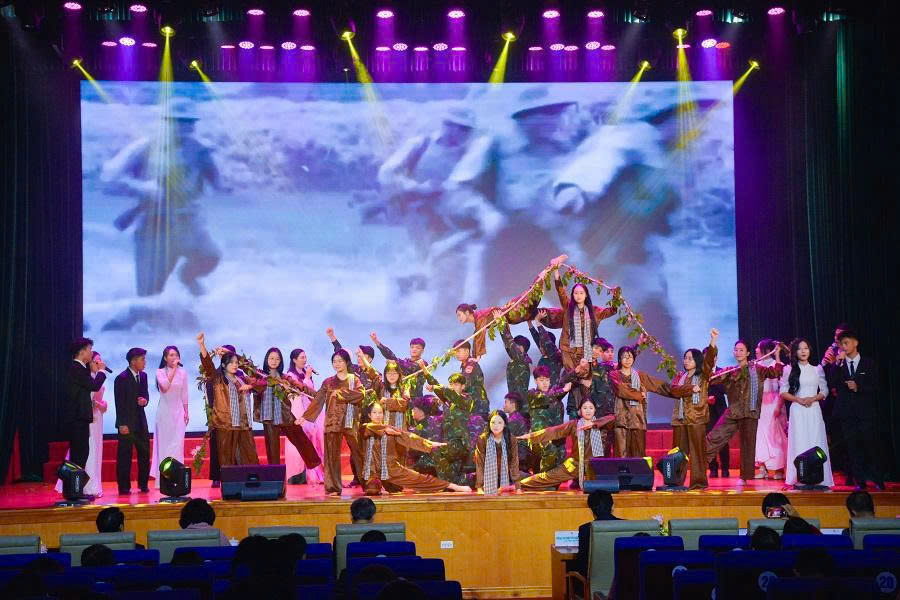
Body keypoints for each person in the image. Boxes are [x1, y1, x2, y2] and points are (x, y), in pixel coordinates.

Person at [101, 97, 224, 297]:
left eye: (189, 121)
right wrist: (143, 188)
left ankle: (187, 278)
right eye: (178, 121)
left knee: (210, 257)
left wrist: (214, 179)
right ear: (166, 122)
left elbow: (217, 181)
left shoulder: (200, 149)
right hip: (154, 226)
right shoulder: (144, 147)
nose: (185, 126)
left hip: (189, 222)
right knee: (149, 296)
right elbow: (110, 178)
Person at [705, 340, 784, 482]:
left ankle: (745, 478)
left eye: (741, 350)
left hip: (750, 412)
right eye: (736, 350)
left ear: (747, 353)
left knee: (748, 445)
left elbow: (776, 372)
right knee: (715, 436)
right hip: (734, 411)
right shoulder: (730, 371)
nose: (738, 352)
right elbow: (712, 379)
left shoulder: (757, 369)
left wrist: (777, 355)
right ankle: (700, 461)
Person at [361, 401, 470, 494]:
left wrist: (430, 443)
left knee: (420, 479)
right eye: (374, 412)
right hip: (372, 472)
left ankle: (454, 486)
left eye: (380, 412)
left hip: (390, 468)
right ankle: (380, 486)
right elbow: (368, 427)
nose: (378, 415)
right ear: (369, 415)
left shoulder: (391, 430)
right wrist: (383, 429)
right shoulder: (365, 428)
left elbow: (410, 438)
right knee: (372, 489)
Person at [299, 348, 365, 496]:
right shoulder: (328, 382)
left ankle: (367, 483)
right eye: (334, 361)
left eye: (340, 361)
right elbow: (318, 400)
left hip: (349, 420)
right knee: (331, 456)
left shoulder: (353, 379)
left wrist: (340, 393)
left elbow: (360, 395)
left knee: (358, 453)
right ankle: (333, 487)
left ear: (346, 362)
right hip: (332, 421)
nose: (337, 364)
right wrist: (305, 417)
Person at [609, 344, 689, 459]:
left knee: (638, 456)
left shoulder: (640, 376)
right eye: (624, 357)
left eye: (630, 357)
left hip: (638, 420)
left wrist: (681, 391)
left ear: (633, 358)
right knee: (621, 455)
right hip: (621, 421)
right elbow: (621, 390)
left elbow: (660, 386)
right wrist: (639, 394)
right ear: (619, 359)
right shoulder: (614, 374)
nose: (627, 359)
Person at [517, 398, 616, 490]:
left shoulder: (602, 425)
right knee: (547, 477)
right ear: (580, 411)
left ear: (595, 410)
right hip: (575, 463)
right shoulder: (574, 425)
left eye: (591, 408)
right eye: (585, 408)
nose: (588, 410)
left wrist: (595, 423)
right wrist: (530, 436)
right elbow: (553, 431)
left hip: (595, 465)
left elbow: (614, 418)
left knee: (596, 489)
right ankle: (519, 483)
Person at [250, 347, 321, 473]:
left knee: (299, 436)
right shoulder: (259, 375)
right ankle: (274, 475)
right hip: (268, 415)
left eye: (277, 359)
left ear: (281, 361)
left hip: (284, 414)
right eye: (271, 358)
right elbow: (245, 366)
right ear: (266, 359)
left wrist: (319, 395)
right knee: (272, 449)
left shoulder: (284, 377)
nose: (274, 361)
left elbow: (300, 386)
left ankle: (314, 463)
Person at [830, 330, 883, 490]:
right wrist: (837, 364)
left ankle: (877, 479)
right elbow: (832, 382)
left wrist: (858, 387)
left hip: (865, 414)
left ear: (855, 343)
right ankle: (859, 481)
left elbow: (876, 386)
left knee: (870, 447)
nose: (844, 347)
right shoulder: (839, 365)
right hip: (847, 414)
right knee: (852, 449)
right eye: (841, 344)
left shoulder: (868, 363)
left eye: (846, 343)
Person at [196, 333, 259, 468]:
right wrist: (202, 345)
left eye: (236, 362)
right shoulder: (218, 378)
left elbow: (261, 380)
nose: (235, 365)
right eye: (231, 362)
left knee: (250, 459)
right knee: (227, 461)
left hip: (243, 424)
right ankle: (229, 482)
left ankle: (249, 480)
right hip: (226, 424)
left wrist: (251, 386)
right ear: (224, 365)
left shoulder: (242, 378)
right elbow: (208, 365)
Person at [667, 333, 719, 490]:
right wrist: (690, 389)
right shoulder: (679, 376)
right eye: (685, 358)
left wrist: (713, 341)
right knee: (678, 453)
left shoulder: (703, 375)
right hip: (680, 418)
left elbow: (709, 361)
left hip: (696, 418)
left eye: (690, 358)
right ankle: (676, 482)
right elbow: (674, 391)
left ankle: (698, 482)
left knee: (697, 453)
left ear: (697, 360)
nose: (686, 361)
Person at [780, 338, 833, 488]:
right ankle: (799, 477)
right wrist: (798, 399)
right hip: (798, 410)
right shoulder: (789, 370)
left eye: (806, 348)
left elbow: (825, 391)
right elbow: (783, 391)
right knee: (799, 441)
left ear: (810, 351)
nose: (803, 351)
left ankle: (820, 478)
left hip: (814, 409)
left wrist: (813, 398)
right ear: (795, 352)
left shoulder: (817, 369)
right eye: (800, 349)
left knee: (816, 441)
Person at [56, 351, 107, 497]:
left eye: (100, 361)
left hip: (93, 418)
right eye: (96, 361)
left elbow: (99, 399)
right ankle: (80, 488)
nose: (99, 363)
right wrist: (102, 372)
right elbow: (88, 394)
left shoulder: (92, 378)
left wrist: (101, 404)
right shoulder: (84, 375)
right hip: (83, 418)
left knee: (89, 452)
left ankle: (84, 487)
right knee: (83, 452)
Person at [551, 257, 617, 370]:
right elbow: (561, 292)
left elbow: (612, 310)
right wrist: (556, 271)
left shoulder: (595, 311)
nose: (578, 295)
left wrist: (616, 296)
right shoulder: (568, 307)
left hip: (585, 350)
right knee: (571, 373)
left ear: (586, 295)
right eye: (576, 293)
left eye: (581, 293)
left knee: (583, 375)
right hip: (568, 348)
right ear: (573, 295)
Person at [64, 338, 107, 478]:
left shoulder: (80, 368)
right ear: (82, 352)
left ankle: (75, 487)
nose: (91, 352)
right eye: (89, 349)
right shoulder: (77, 368)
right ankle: (73, 488)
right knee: (78, 455)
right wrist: (102, 371)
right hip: (77, 418)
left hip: (80, 417)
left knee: (81, 454)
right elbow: (94, 386)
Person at [422, 371, 472, 486]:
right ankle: (452, 485)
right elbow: (438, 387)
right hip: (449, 442)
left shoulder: (466, 399)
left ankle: (448, 485)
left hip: (461, 443)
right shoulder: (449, 401)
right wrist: (425, 371)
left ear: (463, 386)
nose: (452, 387)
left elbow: (448, 392)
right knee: (455, 477)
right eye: (451, 384)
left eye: (456, 384)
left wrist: (435, 387)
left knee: (436, 451)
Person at [284, 348, 324, 485]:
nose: (304, 360)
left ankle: (316, 473)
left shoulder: (306, 373)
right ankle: (300, 475)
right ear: (294, 360)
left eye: (305, 357)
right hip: (299, 411)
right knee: (303, 442)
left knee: (314, 442)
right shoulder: (290, 376)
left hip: (310, 412)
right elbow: (301, 392)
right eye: (301, 357)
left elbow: (311, 392)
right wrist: (307, 377)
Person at [150, 345, 188, 488]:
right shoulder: (160, 372)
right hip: (164, 414)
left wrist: (186, 411)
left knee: (178, 445)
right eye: (171, 355)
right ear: (165, 358)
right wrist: (173, 369)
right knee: (165, 446)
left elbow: (184, 393)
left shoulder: (183, 373)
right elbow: (165, 387)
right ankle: (164, 480)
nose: (174, 357)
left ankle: (178, 479)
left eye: (176, 355)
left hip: (178, 413)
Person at [114, 347, 151, 495]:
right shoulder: (121, 378)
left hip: (140, 421)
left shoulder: (144, 376)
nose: (145, 362)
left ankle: (143, 484)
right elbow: (119, 403)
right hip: (127, 423)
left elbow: (145, 395)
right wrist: (121, 424)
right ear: (133, 361)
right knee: (125, 455)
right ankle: (124, 487)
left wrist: (144, 401)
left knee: (144, 453)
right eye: (142, 359)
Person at [524, 366, 572, 473]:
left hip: (557, 437)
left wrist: (576, 370)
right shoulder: (532, 394)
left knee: (560, 465)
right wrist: (564, 390)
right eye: (541, 380)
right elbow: (545, 397)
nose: (545, 383)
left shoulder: (554, 395)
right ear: (536, 381)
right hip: (542, 438)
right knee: (547, 458)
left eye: (547, 380)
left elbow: (563, 382)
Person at [754, 339, 787, 480]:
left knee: (775, 436)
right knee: (760, 437)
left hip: (773, 403)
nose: (756, 350)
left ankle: (779, 469)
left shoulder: (777, 365)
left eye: (758, 347)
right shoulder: (756, 365)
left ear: (768, 351)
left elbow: (783, 387)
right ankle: (762, 468)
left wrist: (778, 406)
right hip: (759, 405)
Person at [572, 491, 620, 576]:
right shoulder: (627, 526)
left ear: (591, 510)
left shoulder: (585, 529)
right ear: (613, 506)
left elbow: (582, 563)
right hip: (623, 580)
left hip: (594, 581)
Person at [475, 410, 521, 494]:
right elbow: (480, 463)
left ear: (505, 424)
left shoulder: (511, 439)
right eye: (493, 422)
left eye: (499, 422)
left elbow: (514, 462)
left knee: (526, 480)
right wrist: (479, 486)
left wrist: (518, 486)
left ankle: (510, 487)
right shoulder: (482, 439)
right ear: (489, 424)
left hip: (507, 476)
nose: (495, 426)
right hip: (488, 477)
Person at [370, 332, 428, 399]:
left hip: (416, 399)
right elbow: (392, 356)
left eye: (418, 348)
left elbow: (410, 368)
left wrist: (395, 362)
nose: (414, 349)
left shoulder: (423, 363)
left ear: (422, 351)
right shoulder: (406, 361)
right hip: (401, 397)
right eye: (412, 347)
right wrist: (377, 342)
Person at [496, 313, 533, 403]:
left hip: (519, 404)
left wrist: (500, 322)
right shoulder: (517, 359)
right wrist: (501, 324)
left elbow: (509, 342)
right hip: (515, 402)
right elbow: (507, 343)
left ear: (521, 348)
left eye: (516, 346)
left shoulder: (521, 359)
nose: (514, 348)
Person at [529, 309, 564, 387]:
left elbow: (545, 339)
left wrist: (537, 321)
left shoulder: (554, 355)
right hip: (541, 392)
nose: (540, 347)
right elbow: (537, 337)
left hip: (551, 391)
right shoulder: (545, 354)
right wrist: (529, 323)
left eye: (542, 345)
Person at [706, 382, 730, 478]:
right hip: (707, 411)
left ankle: (725, 468)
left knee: (723, 441)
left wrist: (714, 381)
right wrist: (706, 399)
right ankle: (713, 468)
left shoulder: (721, 375)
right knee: (710, 440)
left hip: (721, 411)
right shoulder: (702, 376)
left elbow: (726, 389)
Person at [503, 392, 531, 474]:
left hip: (518, 459)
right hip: (523, 458)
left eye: (506, 402)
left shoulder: (513, 420)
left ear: (512, 404)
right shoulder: (519, 417)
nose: (504, 405)